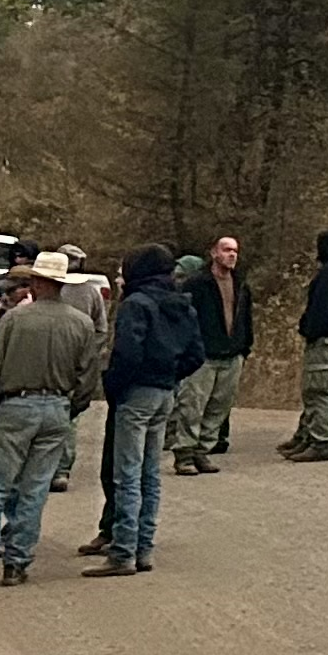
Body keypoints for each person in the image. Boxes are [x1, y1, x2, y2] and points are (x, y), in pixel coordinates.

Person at [0, 257, 104, 590]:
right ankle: (17, 564)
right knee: (34, 491)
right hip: (57, 408)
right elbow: (88, 377)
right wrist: (69, 406)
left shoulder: (15, 320)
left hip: (16, 405)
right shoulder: (81, 323)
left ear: (37, 283)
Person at [92, 245, 201, 575]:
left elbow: (127, 352)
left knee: (127, 473)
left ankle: (123, 551)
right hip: (165, 391)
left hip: (137, 393)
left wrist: (114, 384)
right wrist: (170, 375)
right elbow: (196, 353)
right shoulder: (182, 304)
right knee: (150, 473)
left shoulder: (136, 305)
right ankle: (144, 548)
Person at [174, 236, 252, 472]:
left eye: (235, 251)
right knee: (192, 405)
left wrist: (245, 345)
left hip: (232, 353)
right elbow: (184, 318)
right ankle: (184, 453)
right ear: (214, 253)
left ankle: (202, 450)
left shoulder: (240, 284)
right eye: (226, 250)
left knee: (220, 405)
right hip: (204, 355)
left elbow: (246, 317)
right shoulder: (197, 284)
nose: (232, 255)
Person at [284, 231, 328, 461]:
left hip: (325, 339)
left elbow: (321, 308)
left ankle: (320, 441)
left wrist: (308, 330)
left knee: (318, 391)